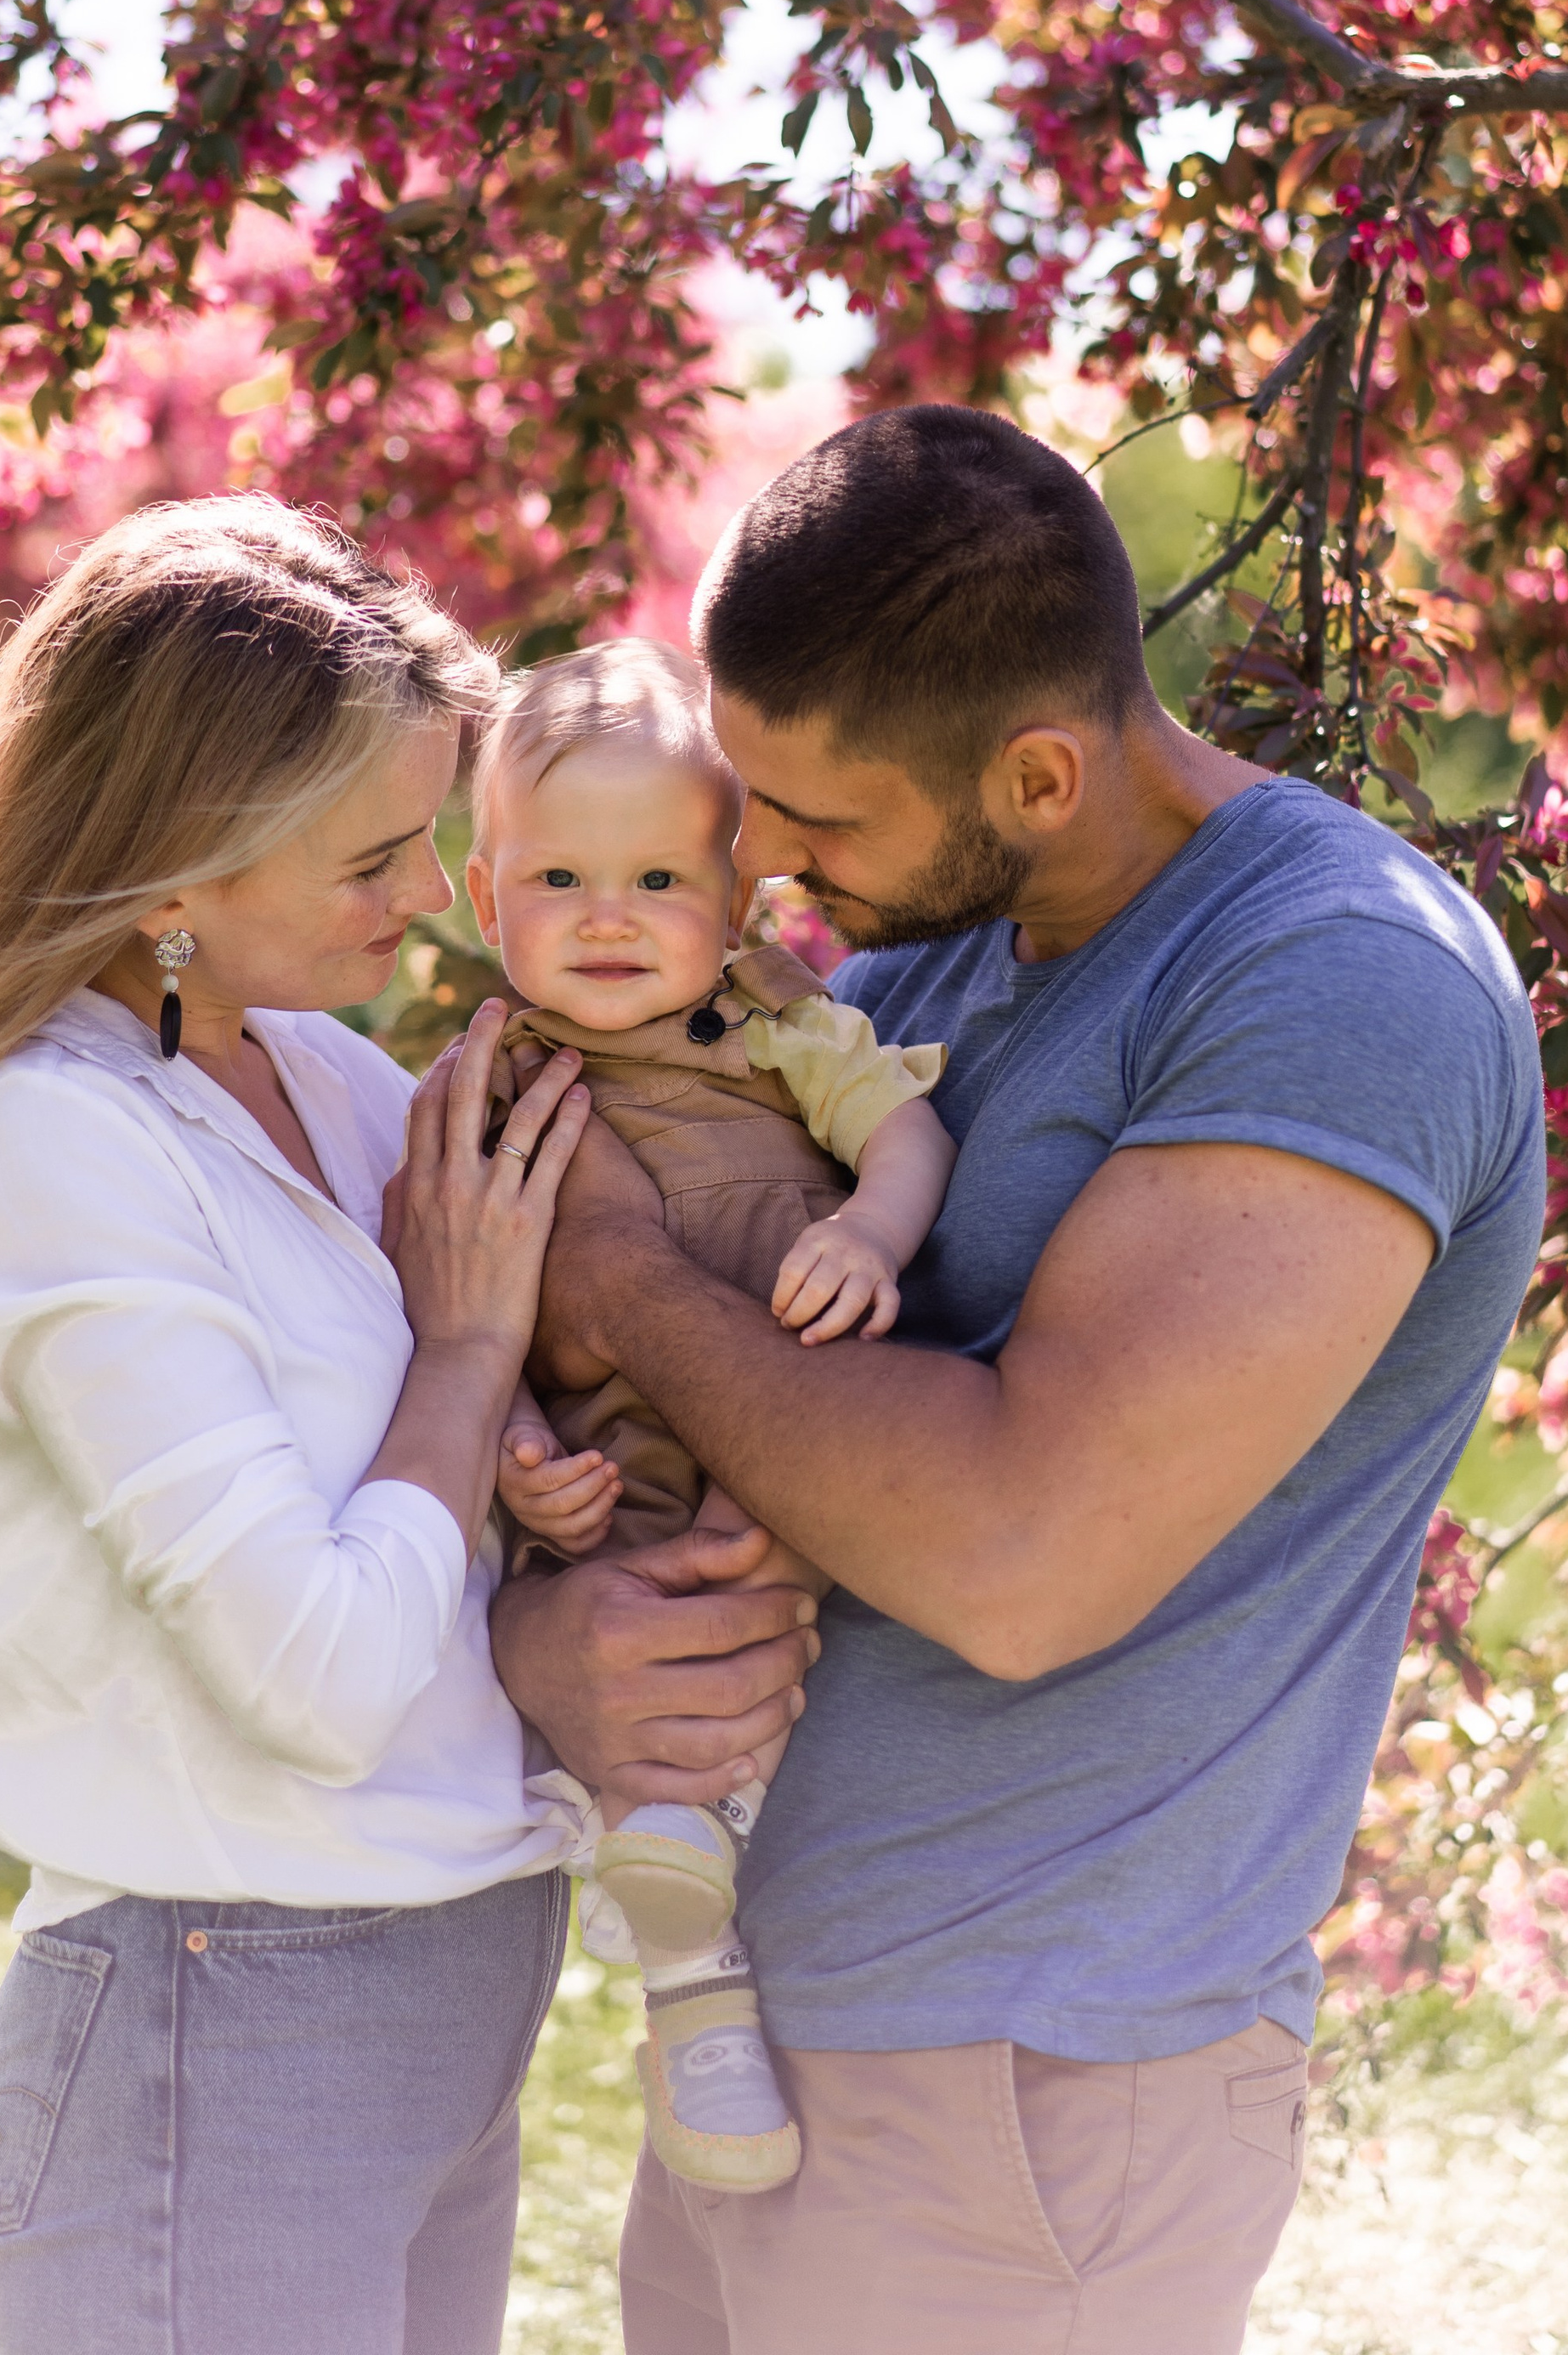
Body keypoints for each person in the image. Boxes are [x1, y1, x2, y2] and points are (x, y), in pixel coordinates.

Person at [493, 402, 1548, 2355]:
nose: (760, 866)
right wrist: (557, 1638)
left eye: (813, 822)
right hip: (774, 2047)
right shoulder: (914, 965)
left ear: (1038, 774)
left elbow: (1016, 1558)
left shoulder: (1337, 980)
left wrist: (617, 1278)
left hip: (1025, 2083)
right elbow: (705, 1424)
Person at [0, 494, 597, 2355]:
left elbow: (440, 1518)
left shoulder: (327, 1074)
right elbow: (317, 1676)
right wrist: (468, 1355)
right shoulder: (42, 1137)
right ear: (170, 878)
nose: (432, 897)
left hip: (446, 1982)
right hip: (227, 2023)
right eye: (372, 858)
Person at [467, 637, 954, 2192]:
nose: (608, 917)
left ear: (738, 900)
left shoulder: (777, 1025)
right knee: (640, 1633)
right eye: (558, 879)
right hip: (609, 1458)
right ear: (484, 900)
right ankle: (695, 1996)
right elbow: (447, 1310)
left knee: (762, 1599)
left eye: (660, 881)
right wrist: (514, 1449)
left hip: (790, 1406)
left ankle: (704, 1851)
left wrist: (868, 1231)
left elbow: (907, 1133)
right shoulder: (485, 1084)